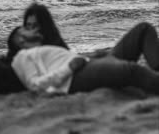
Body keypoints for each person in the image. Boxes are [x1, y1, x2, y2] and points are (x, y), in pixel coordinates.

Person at [10, 22, 159, 95]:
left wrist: (93, 55)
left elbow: (70, 59)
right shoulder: (21, 57)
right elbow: (35, 85)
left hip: (90, 64)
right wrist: (69, 68)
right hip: (75, 78)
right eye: (27, 29)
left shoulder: (43, 49)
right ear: (20, 40)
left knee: (143, 29)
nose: (34, 28)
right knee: (131, 70)